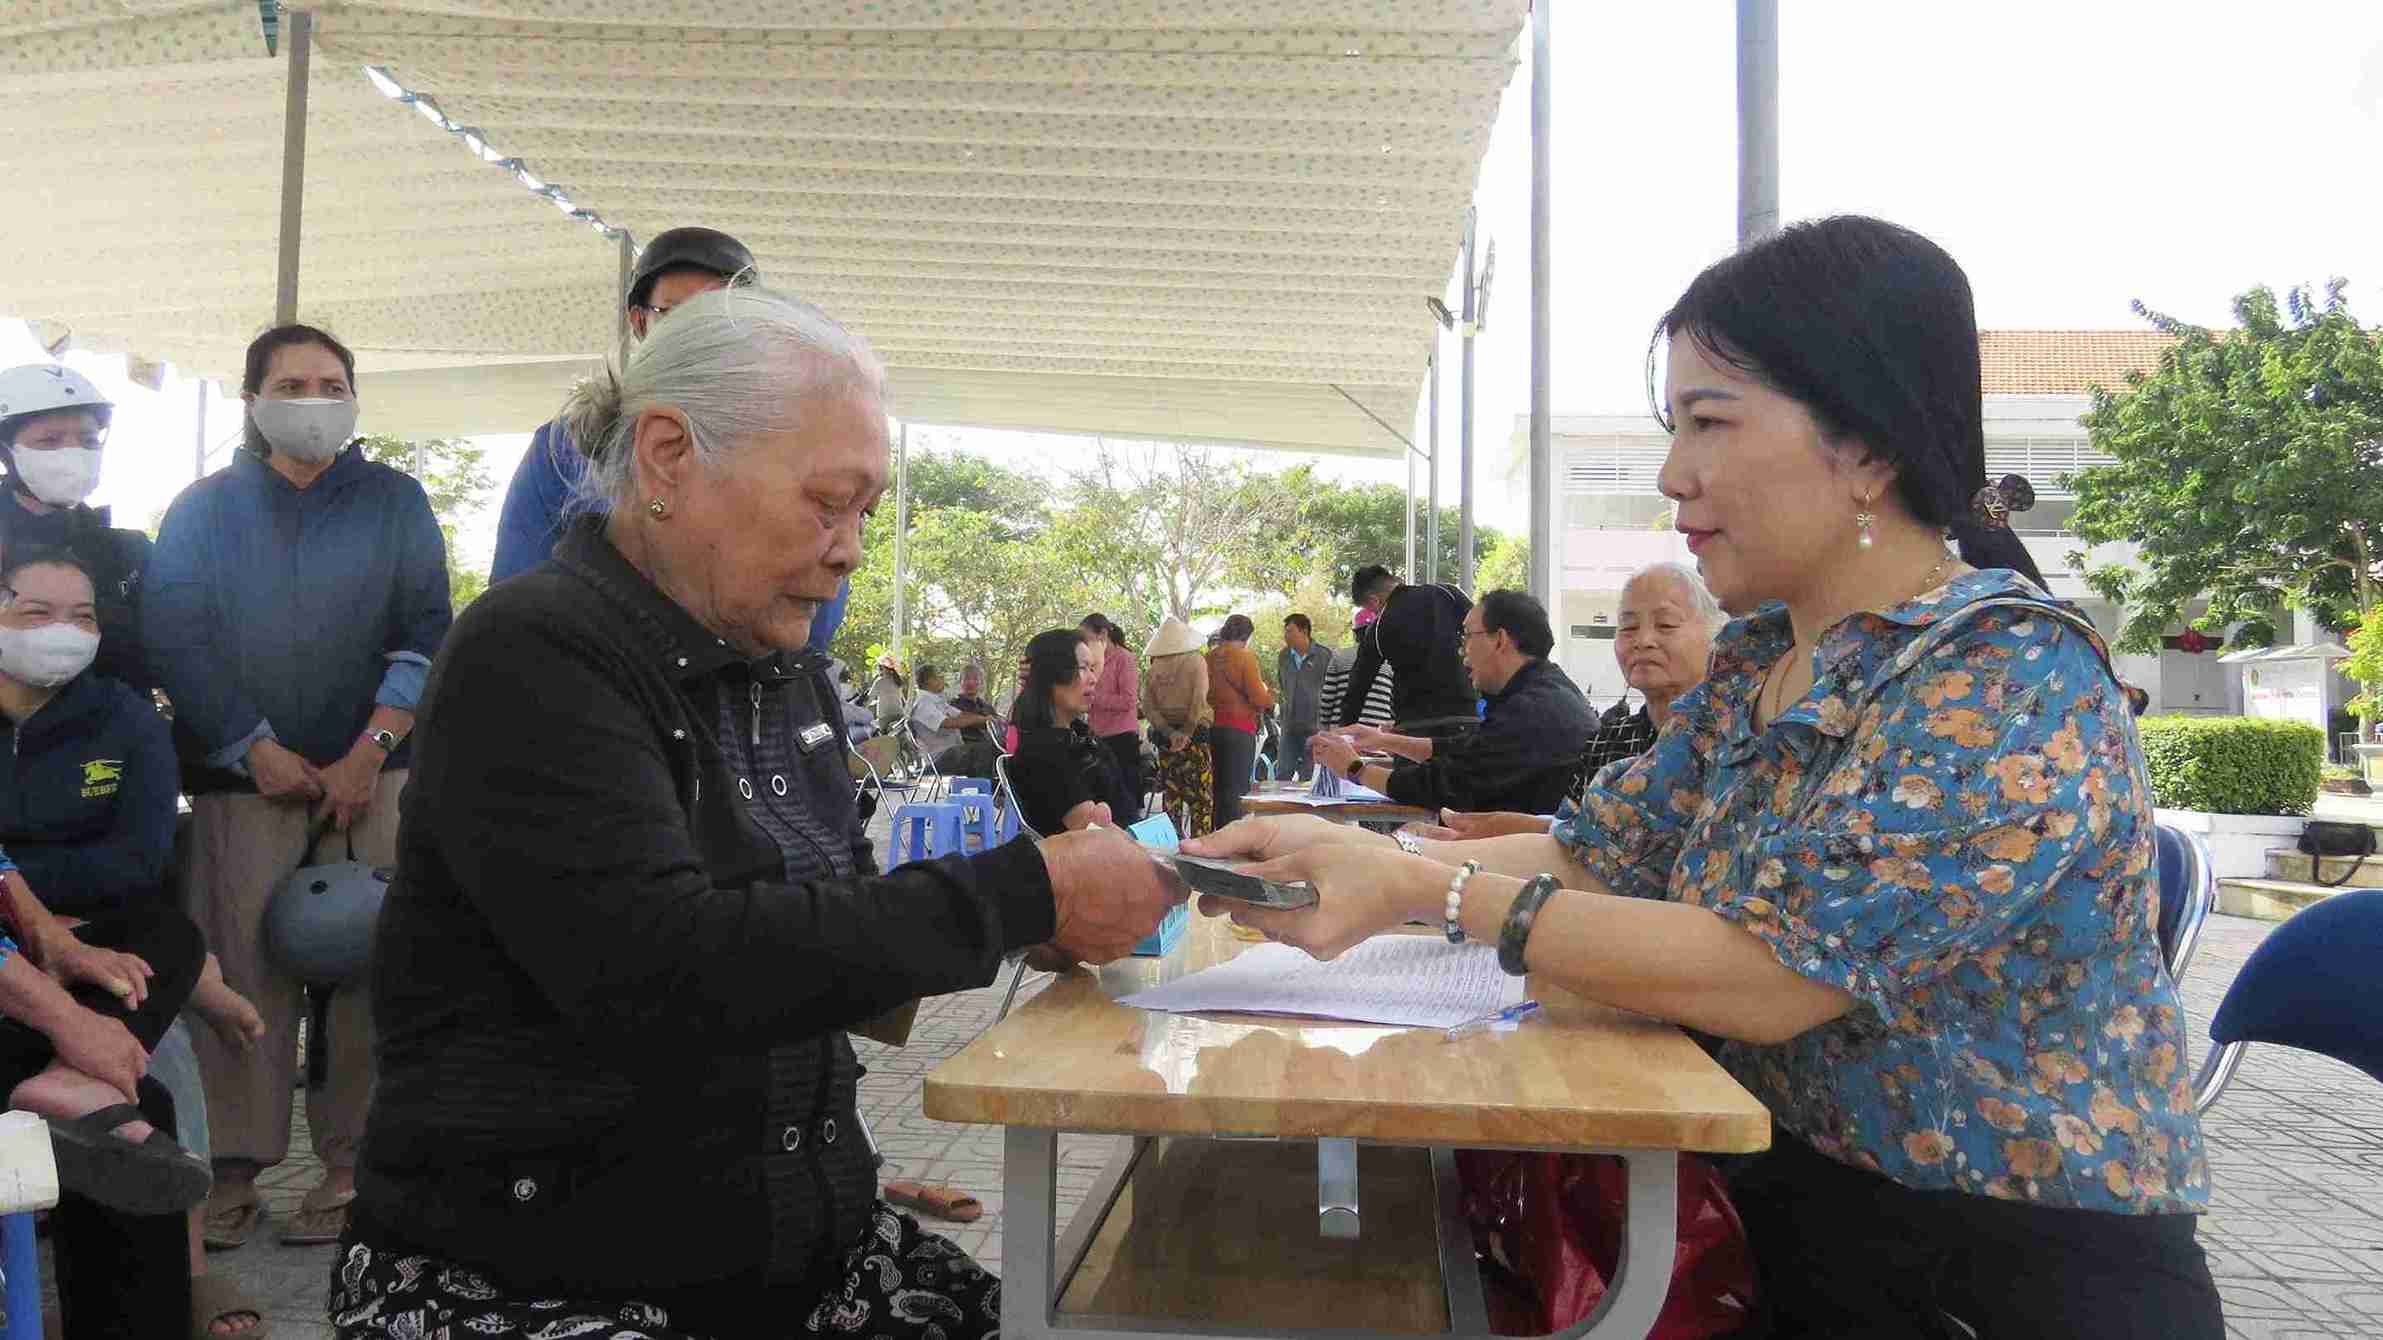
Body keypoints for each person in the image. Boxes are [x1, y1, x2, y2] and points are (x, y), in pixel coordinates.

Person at [1185, 217, 2222, 1338]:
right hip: (1788, 1211)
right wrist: (1351, 855)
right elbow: (1595, 849)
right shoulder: (1759, 660)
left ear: (1869, 448)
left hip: (1999, 1271)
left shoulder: (2006, 670)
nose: (1673, 471)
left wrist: (1426, 891)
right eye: (1672, 425)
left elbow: (1771, 975)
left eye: (1710, 422)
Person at [334, 283, 1185, 1340]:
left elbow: (813, 947)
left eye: (864, 514)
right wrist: (1018, 891)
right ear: (666, 458)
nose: (849, 549)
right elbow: (660, 966)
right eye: (827, 503)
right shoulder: (536, 652)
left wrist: (1037, 918)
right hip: (544, 1277)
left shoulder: (783, 673)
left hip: (788, 1264)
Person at [143, 323, 454, 1252]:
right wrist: (253, 746)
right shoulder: (200, 510)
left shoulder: (397, 501)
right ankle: (232, 1170)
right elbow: (177, 637)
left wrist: (370, 748)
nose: (313, 401)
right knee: (241, 972)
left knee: (366, 965)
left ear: (355, 396)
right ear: (252, 400)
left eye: (332, 383)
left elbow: (427, 628)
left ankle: (353, 1166)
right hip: (243, 784)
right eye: (293, 384)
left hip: (378, 777)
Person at [0, 550, 270, 1337]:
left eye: (83, 616)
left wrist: (46, 930)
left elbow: (136, 861)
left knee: (154, 959)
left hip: (73, 944)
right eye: (35, 612)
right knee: (129, 1078)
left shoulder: (121, 718)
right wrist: (59, 1002)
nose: (63, 633)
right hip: (36, 968)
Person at [490, 226, 760, 582]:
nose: (698, 334)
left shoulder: (785, 442)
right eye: (675, 315)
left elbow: (811, 610)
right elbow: (513, 592)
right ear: (639, 321)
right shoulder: (566, 449)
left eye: (721, 317)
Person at [1426, 562, 1727, 843]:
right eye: (1628, 627)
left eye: (1666, 625)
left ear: (1718, 635)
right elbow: (1575, 838)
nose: (1643, 640)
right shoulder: (1610, 740)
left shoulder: (1733, 741)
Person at [1313, 590, 1594, 816]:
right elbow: (1471, 751)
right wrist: (1384, 740)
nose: (1462, 649)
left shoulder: (1532, 710)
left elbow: (1445, 785)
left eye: (1467, 636)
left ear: (1500, 640)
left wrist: (1355, 769)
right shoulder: (1547, 690)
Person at [0, 363, 156, 690]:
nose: (72, 452)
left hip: (113, 734)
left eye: (87, 440)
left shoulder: (128, 553)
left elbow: (170, 650)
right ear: (6, 452)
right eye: (49, 440)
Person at [1007, 629, 1129, 837]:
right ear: (1050, 675)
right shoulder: (1043, 752)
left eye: (1092, 668)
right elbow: (1091, 832)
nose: (1093, 679)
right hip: (1093, 861)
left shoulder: (1079, 736)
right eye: (1082, 668)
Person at [1341, 565, 1474, 739]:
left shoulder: (1378, 628)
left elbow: (1358, 685)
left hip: (1414, 726)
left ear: (1374, 600)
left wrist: (1344, 730)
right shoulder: (1446, 593)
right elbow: (1483, 629)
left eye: (1372, 609)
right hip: (1463, 715)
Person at [1141, 616, 1214, 837]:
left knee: (1172, 795)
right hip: (1195, 739)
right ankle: (1200, 850)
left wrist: (1169, 733)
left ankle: (1171, 844)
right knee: (1201, 800)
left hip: (1167, 741)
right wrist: (1187, 732)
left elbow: (1148, 706)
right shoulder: (1196, 661)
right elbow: (1199, 701)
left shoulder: (1155, 668)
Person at [1205, 614, 1274, 826]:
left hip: (1213, 727)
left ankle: (1217, 834)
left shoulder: (1208, 658)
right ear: (1247, 635)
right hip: (1239, 729)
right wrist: (1271, 695)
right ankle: (1232, 839)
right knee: (1236, 789)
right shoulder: (1245, 657)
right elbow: (1258, 698)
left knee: (1217, 787)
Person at [1081, 614, 1144, 823]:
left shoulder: (1124, 658)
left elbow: (1128, 701)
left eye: (1088, 637)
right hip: (1096, 735)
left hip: (1121, 736)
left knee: (1124, 798)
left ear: (1103, 635)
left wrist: (1093, 698)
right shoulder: (1088, 661)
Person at [910, 663, 998, 780]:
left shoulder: (937, 701)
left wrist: (986, 719)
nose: (943, 679)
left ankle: (988, 789)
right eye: (939, 676)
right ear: (930, 681)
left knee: (989, 749)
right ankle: (984, 791)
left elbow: (961, 715)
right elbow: (950, 723)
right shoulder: (923, 703)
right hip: (939, 756)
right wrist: (983, 719)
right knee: (982, 750)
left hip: (953, 751)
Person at [1316, 607, 1395, 733]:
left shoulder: (1339, 657)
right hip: (1378, 736)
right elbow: (1394, 703)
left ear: (1354, 634)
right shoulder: (1389, 660)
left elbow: (1327, 699)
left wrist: (1325, 727)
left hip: (1342, 733)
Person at [1275, 614, 1333, 782]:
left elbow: (1331, 690)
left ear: (1304, 631)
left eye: (1290, 631)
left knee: (1309, 777)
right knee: (1283, 773)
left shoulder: (1324, 656)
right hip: (1289, 726)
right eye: (1285, 632)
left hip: (1314, 727)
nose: (1286, 636)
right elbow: (1282, 686)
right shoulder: (1283, 656)